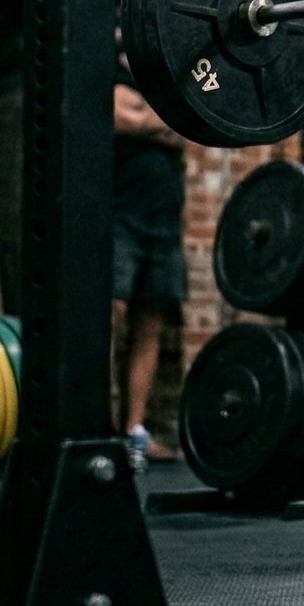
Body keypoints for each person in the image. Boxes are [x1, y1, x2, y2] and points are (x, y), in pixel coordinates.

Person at [112, 33, 188, 472]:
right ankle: (97, 428)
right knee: (112, 319)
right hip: (121, 217)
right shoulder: (115, 73)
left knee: (149, 327)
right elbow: (119, 116)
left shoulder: (167, 85)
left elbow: (184, 130)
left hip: (163, 222)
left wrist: (148, 117)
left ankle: (133, 431)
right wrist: (156, 121)